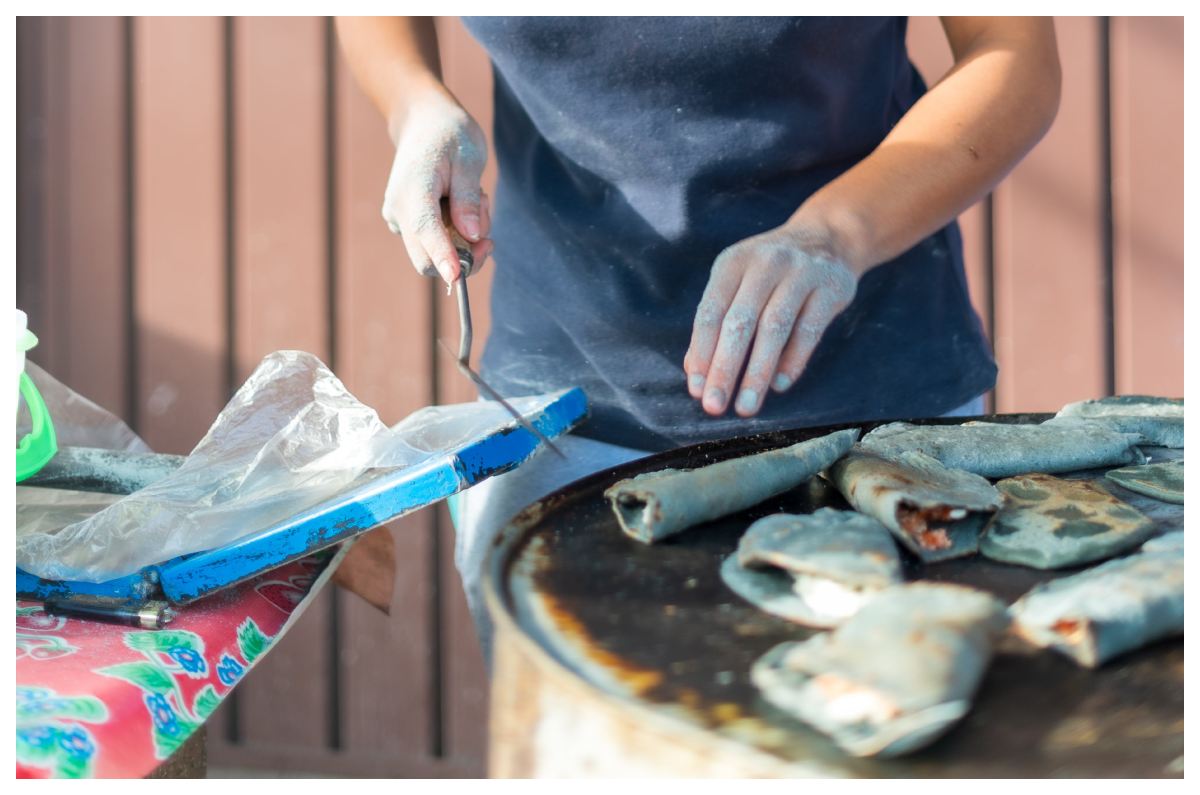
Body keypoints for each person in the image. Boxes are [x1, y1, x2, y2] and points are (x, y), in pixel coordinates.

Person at [336, 17, 1061, 660]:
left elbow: (1014, 53)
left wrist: (836, 233)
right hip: (563, 419)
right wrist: (414, 101)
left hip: (873, 413)